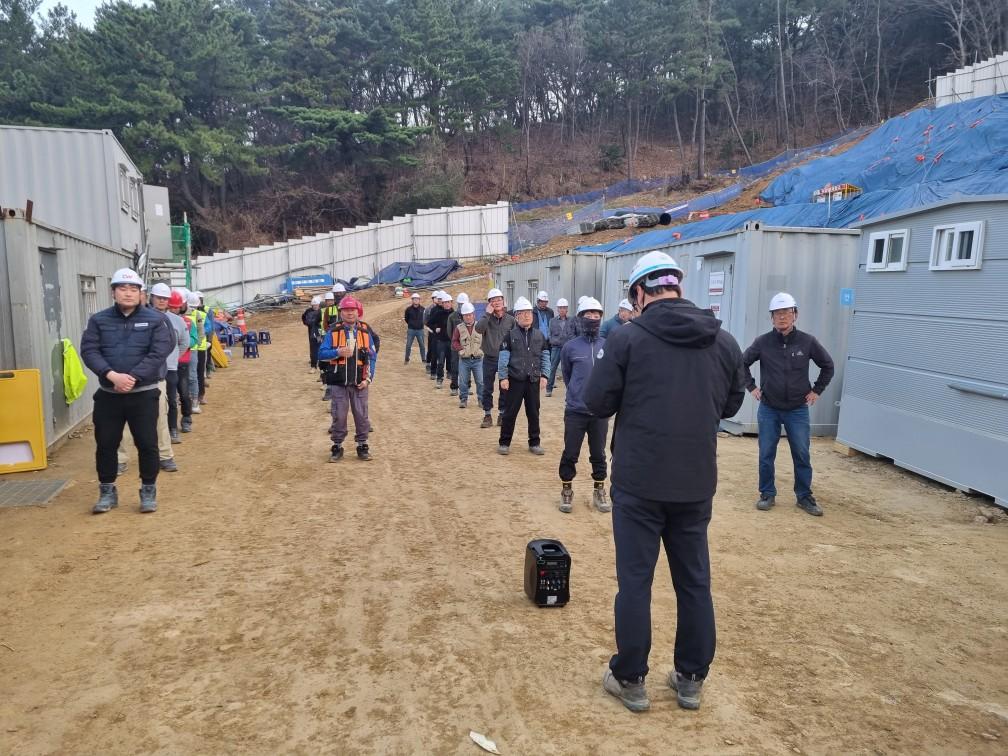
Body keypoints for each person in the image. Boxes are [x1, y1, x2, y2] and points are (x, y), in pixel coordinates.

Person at [584, 250, 745, 713]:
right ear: (677, 286)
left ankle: (630, 677)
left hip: (639, 481)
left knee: (635, 582)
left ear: (640, 292)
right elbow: (732, 403)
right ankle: (691, 677)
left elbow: (597, 402)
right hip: (695, 481)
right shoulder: (723, 341)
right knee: (694, 582)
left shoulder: (627, 339)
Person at [80, 268, 174, 514]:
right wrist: (111, 375)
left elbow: (159, 351)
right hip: (109, 396)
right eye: (122, 288)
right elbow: (89, 350)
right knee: (106, 444)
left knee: (148, 444)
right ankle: (107, 491)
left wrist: (133, 377)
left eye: (133, 289)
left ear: (141, 293)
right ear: (113, 292)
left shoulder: (155, 320)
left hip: (143, 394)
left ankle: (148, 490)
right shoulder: (99, 320)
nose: (128, 293)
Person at [743, 292, 834, 517]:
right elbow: (740, 364)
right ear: (771, 318)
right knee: (766, 453)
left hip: (797, 410)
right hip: (769, 408)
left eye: (786, 312)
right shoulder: (762, 342)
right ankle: (767, 493)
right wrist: (751, 387)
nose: (782, 317)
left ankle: (804, 496)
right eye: (777, 314)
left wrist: (817, 391)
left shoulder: (807, 342)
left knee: (802, 453)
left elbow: (828, 365)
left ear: (795, 315)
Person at [557, 297, 610, 514]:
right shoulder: (570, 347)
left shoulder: (607, 345)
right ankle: (566, 489)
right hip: (575, 411)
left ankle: (599, 489)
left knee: (598, 453)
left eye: (596, 315)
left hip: (599, 412)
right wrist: (578, 394)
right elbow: (568, 376)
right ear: (580, 318)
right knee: (570, 452)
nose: (593, 319)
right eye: (588, 315)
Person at [318, 295, 377, 462]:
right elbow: (321, 353)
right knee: (339, 415)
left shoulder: (365, 333)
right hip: (338, 382)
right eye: (346, 310)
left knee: (361, 415)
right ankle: (337, 446)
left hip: (360, 382)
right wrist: (337, 352)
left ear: (358, 312)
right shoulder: (333, 332)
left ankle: (362, 445)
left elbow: (372, 357)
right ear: (341, 312)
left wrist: (368, 379)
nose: (350, 313)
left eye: (352, 310)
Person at [496, 297, 550, 456]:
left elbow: (545, 356)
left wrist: (545, 375)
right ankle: (504, 442)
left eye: (529, 313)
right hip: (515, 380)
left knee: (534, 413)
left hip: (533, 380)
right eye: (523, 313)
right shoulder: (510, 336)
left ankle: (534, 442)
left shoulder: (540, 336)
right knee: (510, 413)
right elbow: (503, 358)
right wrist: (503, 377)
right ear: (516, 316)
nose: (527, 316)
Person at [149, 283, 190, 447]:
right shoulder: (143, 317)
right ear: (151, 298)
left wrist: (173, 357)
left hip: (170, 368)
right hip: (149, 369)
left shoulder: (177, 321)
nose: (161, 301)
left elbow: (184, 343)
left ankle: (172, 429)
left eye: (164, 298)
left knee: (171, 400)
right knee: (150, 402)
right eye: (158, 298)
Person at [475, 288, 516, 428]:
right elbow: (478, 329)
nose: (497, 302)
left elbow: (515, 338)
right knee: (487, 388)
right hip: (489, 358)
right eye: (493, 300)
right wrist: (487, 314)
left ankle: (502, 414)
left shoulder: (511, 320)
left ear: (503, 301)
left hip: (505, 359)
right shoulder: (486, 318)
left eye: (499, 299)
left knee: (504, 387)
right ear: (489, 303)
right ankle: (487, 415)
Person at [168, 290, 195, 434]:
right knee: (171, 398)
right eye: (171, 307)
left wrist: (181, 345)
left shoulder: (188, 322)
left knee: (184, 393)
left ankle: (186, 419)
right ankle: (171, 427)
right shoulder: (163, 320)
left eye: (176, 307)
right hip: (167, 365)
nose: (174, 310)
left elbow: (194, 339)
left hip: (182, 362)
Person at [452, 302, 484, 410]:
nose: (468, 317)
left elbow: (486, 339)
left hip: (478, 359)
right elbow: (454, 341)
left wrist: (482, 349)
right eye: (466, 315)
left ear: (474, 315)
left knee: (480, 381)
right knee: (463, 381)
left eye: (470, 315)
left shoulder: (480, 326)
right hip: (464, 360)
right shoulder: (459, 328)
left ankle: (481, 399)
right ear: (463, 316)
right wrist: (460, 349)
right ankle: (463, 399)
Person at [546, 297, 576, 397]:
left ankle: (570, 390)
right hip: (556, 348)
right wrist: (554, 341)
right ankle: (549, 389)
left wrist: (570, 342)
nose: (562, 310)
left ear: (567, 309)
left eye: (564, 308)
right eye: (560, 308)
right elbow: (549, 334)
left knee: (567, 369)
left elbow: (574, 333)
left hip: (568, 348)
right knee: (552, 368)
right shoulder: (552, 321)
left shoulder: (572, 320)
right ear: (557, 309)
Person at [425, 292, 453, 389]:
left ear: (451, 303)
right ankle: (439, 379)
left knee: (451, 360)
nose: (447, 304)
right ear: (443, 304)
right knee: (440, 361)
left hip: (451, 341)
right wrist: (435, 328)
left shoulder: (454, 314)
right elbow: (429, 323)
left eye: (448, 302)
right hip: (441, 341)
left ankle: (451, 375)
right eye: (445, 302)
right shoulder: (438, 313)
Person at [446, 293, 468, 396]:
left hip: (467, 346)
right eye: (460, 304)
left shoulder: (469, 316)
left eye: (464, 304)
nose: (462, 306)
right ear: (458, 304)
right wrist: (456, 342)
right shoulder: (452, 316)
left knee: (468, 366)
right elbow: (449, 332)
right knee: (455, 367)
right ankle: (454, 387)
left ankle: (467, 386)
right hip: (455, 347)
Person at [186, 292, 202, 413]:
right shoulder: (177, 314)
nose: (192, 308)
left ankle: (194, 401)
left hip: (192, 349)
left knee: (192, 376)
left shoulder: (197, 314)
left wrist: (197, 343)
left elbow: (200, 332)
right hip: (179, 350)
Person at [404, 292, 427, 364]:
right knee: (408, 345)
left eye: (417, 299)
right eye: (414, 299)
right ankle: (407, 359)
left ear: (419, 300)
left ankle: (423, 359)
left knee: (422, 345)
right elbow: (406, 319)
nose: (416, 300)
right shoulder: (408, 309)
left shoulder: (423, 309)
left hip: (420, 330)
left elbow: (425, 318)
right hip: (411, 330)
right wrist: (411, 324)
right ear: (412, 300)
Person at [302, 295, 323, 369]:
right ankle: (313, 359)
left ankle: (319, 359)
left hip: (319, 331)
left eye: (316, 305)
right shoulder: (308, 311)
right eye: (313, 305)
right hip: (311, 331)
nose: (315, 306)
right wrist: (307, 323)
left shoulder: (322, 311)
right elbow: (304, 317)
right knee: (312, 345)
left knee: (319, 344)